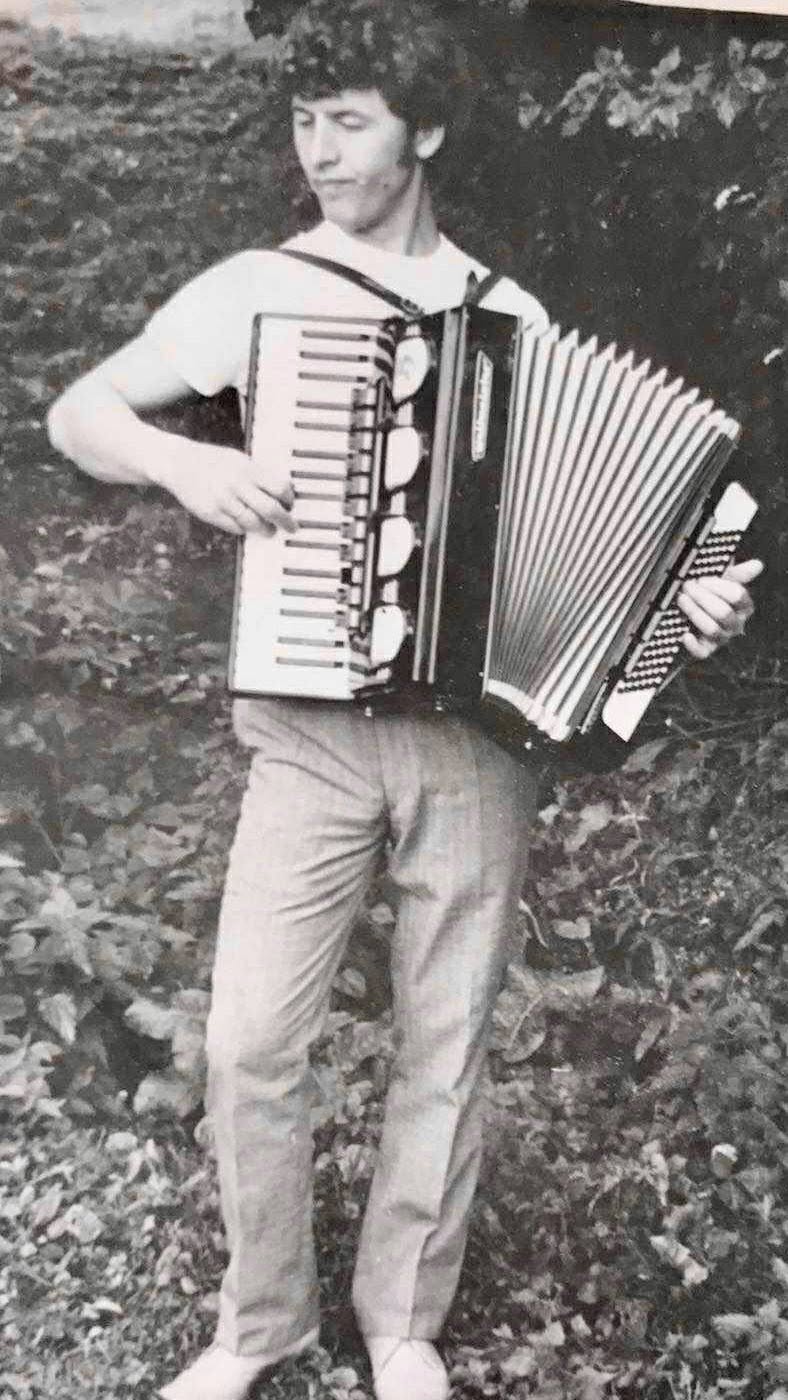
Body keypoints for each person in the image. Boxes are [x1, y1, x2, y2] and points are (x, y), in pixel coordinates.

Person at [46, 4, 762, 1397]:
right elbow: (83, 414)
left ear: (424, 130)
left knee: (446, 1039)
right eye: (303, 122)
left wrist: (687, 613)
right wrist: (189, 465)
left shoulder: (511, 320)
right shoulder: (257, 289)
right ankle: (259, 1328)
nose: (318, 152)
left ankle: (405, 1325)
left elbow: (599, 563)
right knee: (252, 1037)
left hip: (472, 744)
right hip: (308, 734)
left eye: (349, 122)